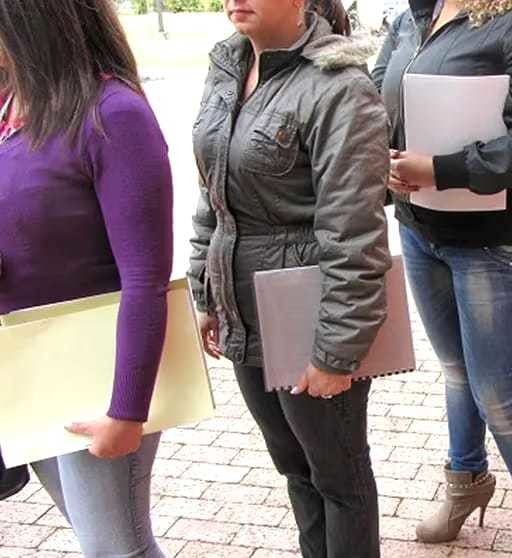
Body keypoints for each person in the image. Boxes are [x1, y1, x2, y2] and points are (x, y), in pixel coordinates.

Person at [188, 1, 391, 556]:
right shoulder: (228, 66)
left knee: (339, 479)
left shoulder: (339, 87)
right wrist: (204, 287)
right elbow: (213, 195)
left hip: (307, 316)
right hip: (246, 310)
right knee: (296, 470)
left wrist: (336, 351)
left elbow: (355, 233)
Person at [372, 0, 512, 554]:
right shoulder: (411, 18)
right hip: (419, 228)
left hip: (492, 242)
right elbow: (374, 94)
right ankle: (466, 483)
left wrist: (439, 169)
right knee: (457, 372)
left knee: (498, 391)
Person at [0, 0, 173, 555]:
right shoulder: (12, 107)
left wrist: (127, 410)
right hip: (32, 370)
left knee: (115, 547)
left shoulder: (113, 115)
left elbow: (146, 277)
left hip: (95, 376)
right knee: (108, 541)